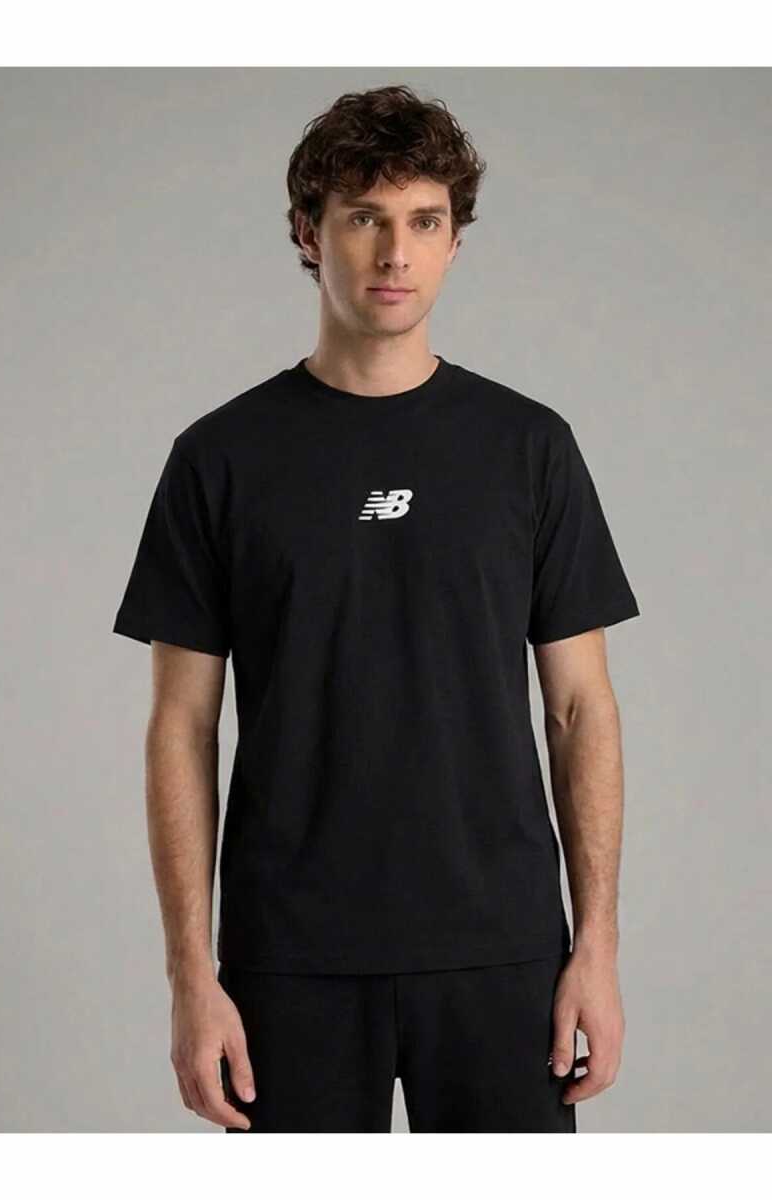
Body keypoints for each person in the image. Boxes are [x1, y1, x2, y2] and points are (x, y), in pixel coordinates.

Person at [113, 84, 640, 1133]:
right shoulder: (221, 458)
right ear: (309, 234)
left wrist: (596, 948)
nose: (395, 253)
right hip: (288, 959)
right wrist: (189, 975)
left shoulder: (526, 447)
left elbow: (580, 708)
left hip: (502, 953)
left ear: (454, 242)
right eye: (364, 218)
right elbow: (181, 725)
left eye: (423, 221)